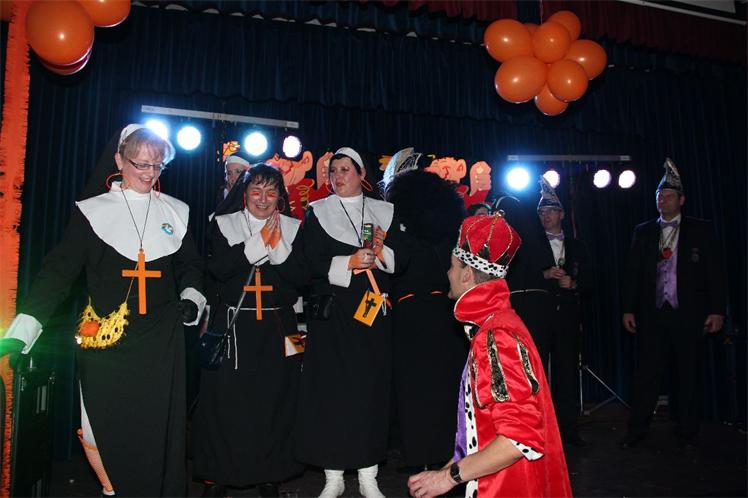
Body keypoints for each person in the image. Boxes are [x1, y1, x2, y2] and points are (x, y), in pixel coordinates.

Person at [0, 125, 206, 496]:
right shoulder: (93, 213)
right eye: (140, 164)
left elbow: (191, 264)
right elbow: (58, 272)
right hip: (108, 342)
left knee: (156, 431)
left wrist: (191, 297)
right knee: (104, 428)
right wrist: (25, 327)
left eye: (157, 165)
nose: (149, 173)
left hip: (161, 343)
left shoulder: (174, 211)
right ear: (119, 161)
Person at [408, 214, 572, 498]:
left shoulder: (497, 336)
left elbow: (518, 439)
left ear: (466, 275)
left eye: (452, 266)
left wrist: (448, 478)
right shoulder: (495, 324)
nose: (448, 274)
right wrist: (443, 471)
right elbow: (484, 431)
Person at [192, 164, 306, 497]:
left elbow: (301, 277)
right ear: (244, 194)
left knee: (275, 403)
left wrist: (278, 247)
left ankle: (270, 474)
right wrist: (257, 244)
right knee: (226, 406)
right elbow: (218, 269)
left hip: (277, 328)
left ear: (280, 196)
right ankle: (218, 476)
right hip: (234, 328)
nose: (263, 198)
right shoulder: (223, 224)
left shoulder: (294, 228)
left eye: (271, 192)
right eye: (256, 190)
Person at [295, 147, 398, 498]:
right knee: (333, 392)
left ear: (361, 173)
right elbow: (307, 264)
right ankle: (333, 476)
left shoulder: (384, 211)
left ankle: (369, 476)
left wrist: (381, 252)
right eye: (333, 171)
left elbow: (401, 262)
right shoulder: (317, 212)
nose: (337, 177)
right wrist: (349, 262)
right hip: (334, 316)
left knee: (370, 391)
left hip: (372, 314)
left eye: (345, 170)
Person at [620, 158, 726, 449]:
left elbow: (715, 273)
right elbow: (632, 273)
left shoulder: (701, 230)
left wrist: (717, 310)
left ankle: (687, 430)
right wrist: (628, 308)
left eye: (668, 196)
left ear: (682, 200)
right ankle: (637, 430)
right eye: (659, 196)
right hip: (652, 314)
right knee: (646, 374)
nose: (663, 201)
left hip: (688, 313)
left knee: (688, 372)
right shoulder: (643, 231)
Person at [381, 150, 468, 470]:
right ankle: (450, 455)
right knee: (446, 387)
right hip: (446, 311)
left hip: (410, 313)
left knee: (414, 390)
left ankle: (420, 457)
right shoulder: (446, 222)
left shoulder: (396, 222)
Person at [536, 178, 590, 447]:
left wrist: (574, 284)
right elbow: (519, 277)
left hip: (567, 319)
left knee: (567, 374)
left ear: (561, 215)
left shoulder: (577, 245)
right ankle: (538, 431)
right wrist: (544, 275)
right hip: (540, 318)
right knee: (537, 376)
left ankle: (569, 431)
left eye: (550, 211)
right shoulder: (532, 245)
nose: (546, 216)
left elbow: (593, 280)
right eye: (541, 212)